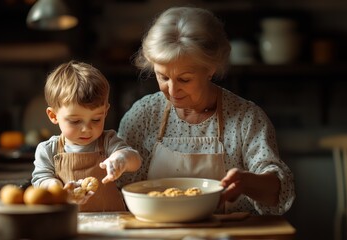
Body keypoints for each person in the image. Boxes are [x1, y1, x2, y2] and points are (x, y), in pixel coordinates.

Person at [117, 6, 295, 215]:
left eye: (184, 79)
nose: (172, 90)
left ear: (210, 68)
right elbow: (119, 187)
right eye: (163, 77)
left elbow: (278, 193)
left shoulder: (245, 118)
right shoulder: (143, 115)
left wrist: (247, 182)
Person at [31, 60, 142, 212]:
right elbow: (40, 181)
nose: (86, 129)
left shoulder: (108, 141)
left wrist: (121, 158)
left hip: (112, 220)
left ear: (105, 111)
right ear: (53, 115)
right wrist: (58, 190)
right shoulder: (48, 150)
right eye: (75, 121)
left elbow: (135, 161)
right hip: (69, 222)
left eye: (96, 119)